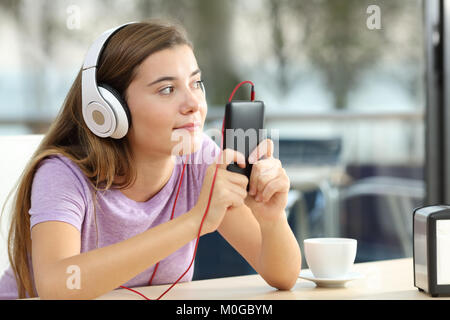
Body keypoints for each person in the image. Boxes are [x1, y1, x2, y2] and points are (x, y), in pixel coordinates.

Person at [0, 20, 301, 300]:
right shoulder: (63, 174)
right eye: (167, 89)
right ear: (109, 109)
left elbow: (283, 276)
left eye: (196, 84)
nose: (194, 104)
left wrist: (272, 219)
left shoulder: (200, 159)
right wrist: (195, 221)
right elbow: (58, 284)